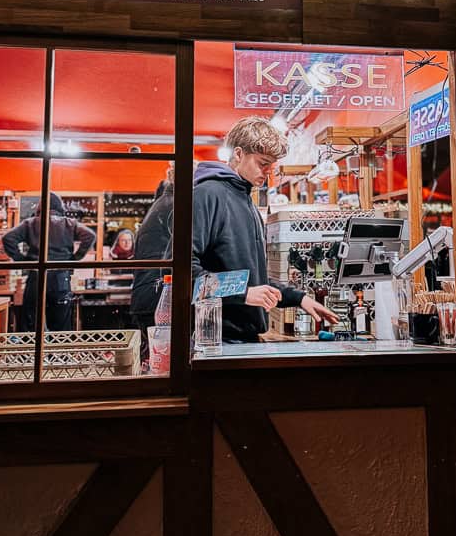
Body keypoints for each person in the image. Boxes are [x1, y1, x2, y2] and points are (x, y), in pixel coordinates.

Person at [192, 117, 338, 342]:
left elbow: (252, 281)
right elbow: (183, 273)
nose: (268, 172)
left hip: (244, 337)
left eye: (272, 165)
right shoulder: (207, 195)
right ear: (238, 154)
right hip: (216, 340)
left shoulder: (246, 199)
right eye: (262, 163)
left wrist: (298, 298)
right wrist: (244, 294)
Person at [2, 193, 96, 331]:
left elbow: (8, 238)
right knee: (60, 324)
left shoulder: (31, 223)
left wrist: (23, 260)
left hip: (37, 276)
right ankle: (59, 352)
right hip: (60, 277)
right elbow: (90, 236)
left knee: (32, 323)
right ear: (60, 207)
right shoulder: (69, 223)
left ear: (40, 206)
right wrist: (74, 259)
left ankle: (34, 352)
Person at [130, 172, 174, 362]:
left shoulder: (158, 206)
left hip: (145, 296)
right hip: (159, 297)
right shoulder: (175, 206)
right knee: (164, 364)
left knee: (154, 361)